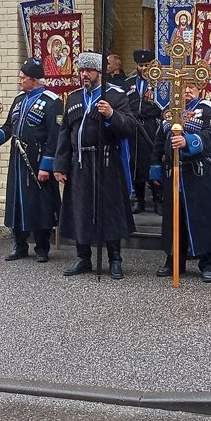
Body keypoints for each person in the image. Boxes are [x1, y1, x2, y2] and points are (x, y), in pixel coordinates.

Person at [54, 51, 138, 280]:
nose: (84, 75)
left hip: (106, 161)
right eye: (81, 71)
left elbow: (130, 127)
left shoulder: (115, 95)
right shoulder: (72, 98)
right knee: (80, 209)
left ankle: (114, 259)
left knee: (109, 210)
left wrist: (112, 115)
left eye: (88, 71)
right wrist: (60, 164)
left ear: (99, 72)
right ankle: (83, 257)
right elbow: (65, 134)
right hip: (80, 163)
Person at [0, 59, 61, 262]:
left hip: (37, 161)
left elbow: (55, 137)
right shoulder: (19, 99)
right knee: (16, 202)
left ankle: (42, 247)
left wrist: (47, 165)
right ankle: (19, 245)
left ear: (34, 80)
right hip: (17, 161)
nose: (20, 81)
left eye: (22, 78)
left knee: (40, 205)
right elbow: (10, 126)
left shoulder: (52, 101)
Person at [150, 82, 211, 283]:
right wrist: (155, 167)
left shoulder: (208, 108)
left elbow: (210, 135)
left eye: (192, 86)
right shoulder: (167, 111)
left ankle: (209, 263)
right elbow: (159, 140)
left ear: (199, 88)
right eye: (183, 87)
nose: (187, 90)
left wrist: (188, 141)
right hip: (173, 173)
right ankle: (174, 259)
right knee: (174, 217)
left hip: (197, 172)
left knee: (204, 217)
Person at [125, 49, 163, 215]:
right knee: (135, 163)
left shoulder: (160, 83)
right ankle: (139, 199)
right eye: (141, 65)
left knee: (152, 162)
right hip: (133, 126)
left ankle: (158, 199)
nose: (144, 68)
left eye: (147, 65)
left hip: (151, 126)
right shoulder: (128, 83)